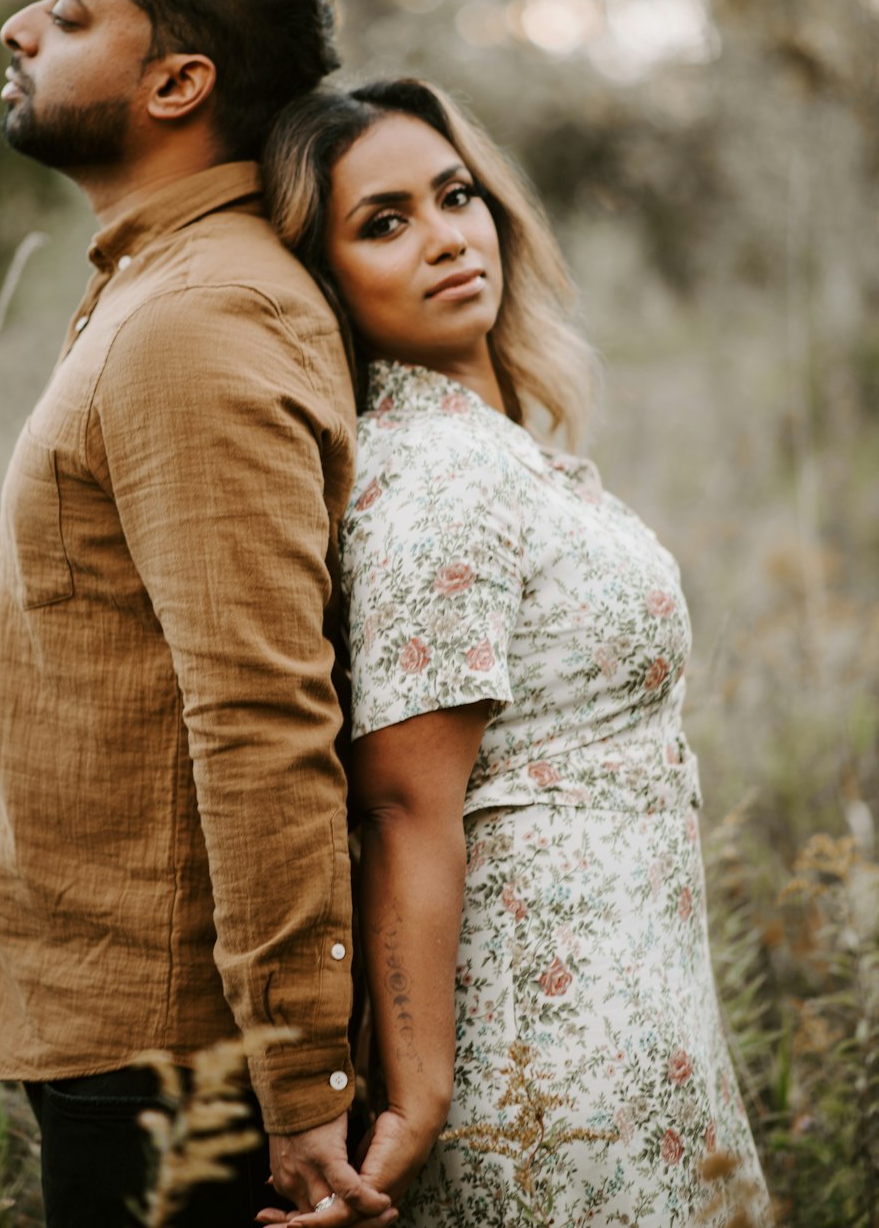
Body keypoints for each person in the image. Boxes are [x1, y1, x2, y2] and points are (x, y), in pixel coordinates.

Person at [0, 0, 396, 1228]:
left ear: (177, 83)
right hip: (116, 1018)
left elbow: (262, 709)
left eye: (67, 14)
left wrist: (299, 1084)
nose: (21, 28)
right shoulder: (161, 286)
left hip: (175, 1049)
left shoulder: (197, 320)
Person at [257, 78, 773, 1228]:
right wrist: (424, 1093)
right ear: (326, 278)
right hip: (550, 1051)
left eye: (453, 195)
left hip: (640, 1004)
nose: (444, 235)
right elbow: (401, 803)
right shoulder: (432, 476)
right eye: (383, 223)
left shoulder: (496, 450)